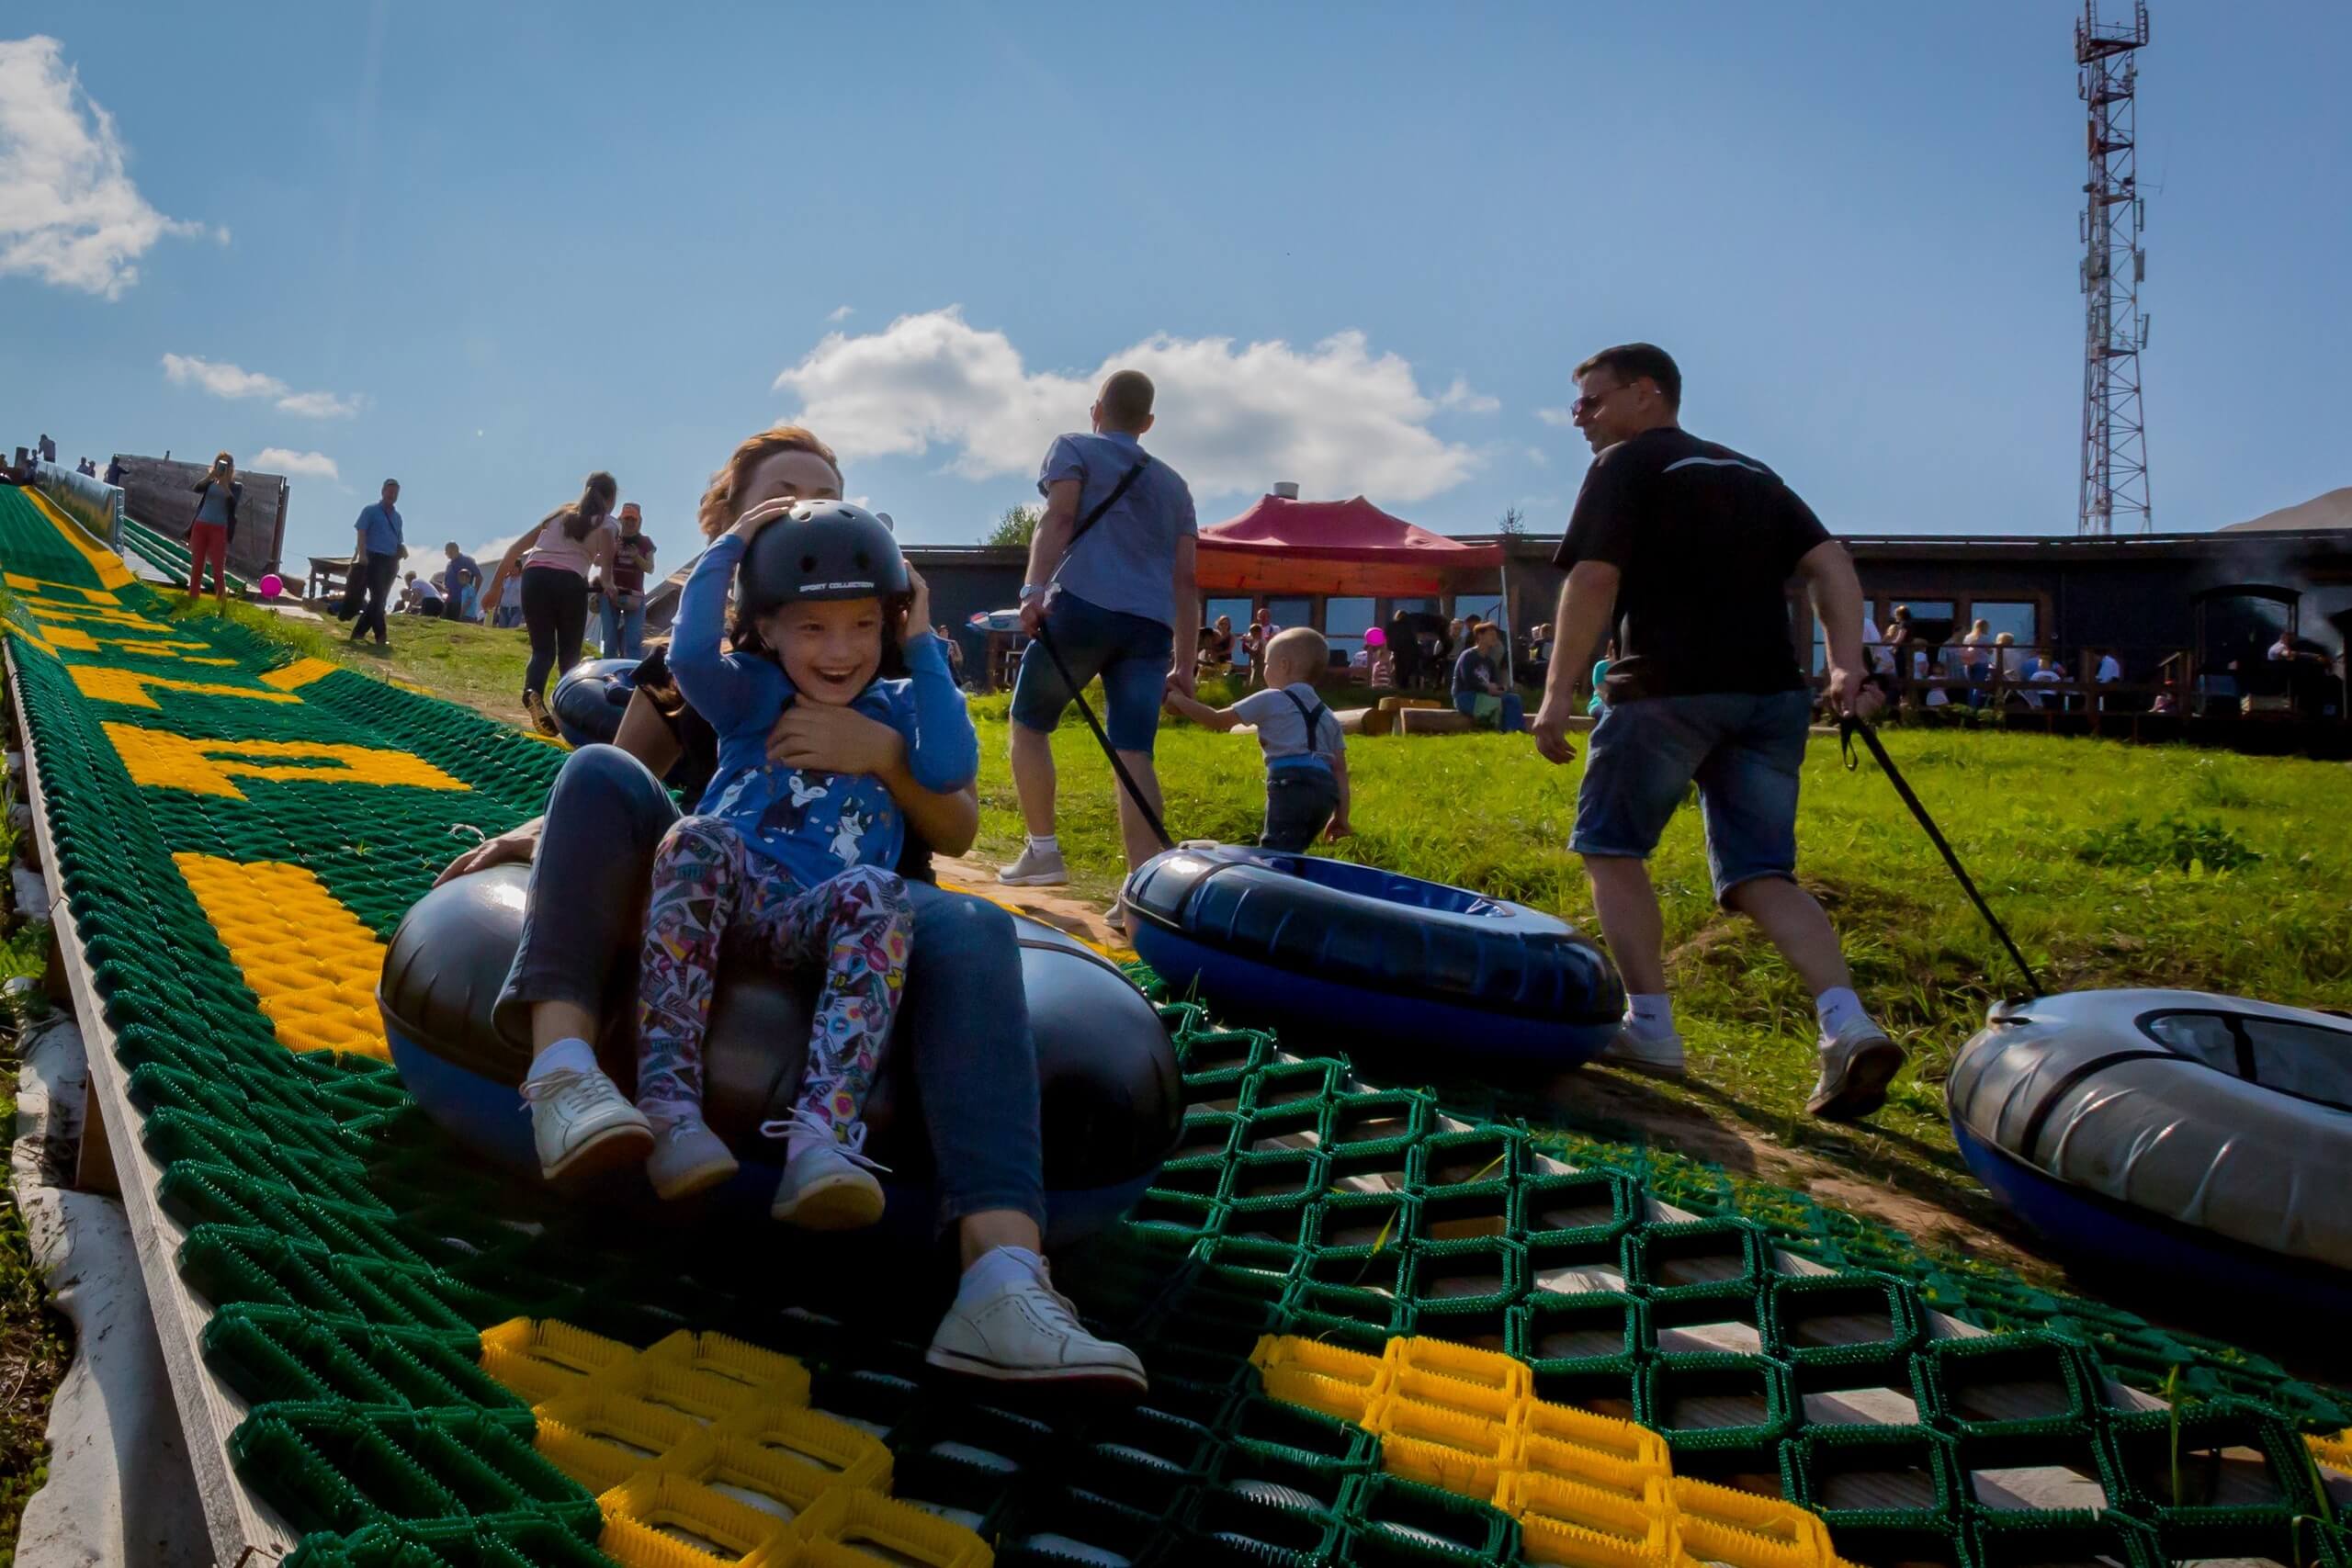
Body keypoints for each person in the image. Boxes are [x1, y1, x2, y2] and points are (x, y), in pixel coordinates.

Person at [441, 422, 1144, 1391]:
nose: (815, 517)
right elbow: (615, 786)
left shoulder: (886, 672)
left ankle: (1002, 1277)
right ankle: (563, 1075)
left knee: (976, 925)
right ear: (738, 531)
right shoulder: (695, 671)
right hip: (720, 882)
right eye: (787, 500)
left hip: (863, 908)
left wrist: (882, 758)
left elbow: (953, 825)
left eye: (832, 495)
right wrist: (543, 838)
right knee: (602, 778)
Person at [1530, 342, 1901, 1121]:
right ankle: (1846, 1023)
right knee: (1763, 873)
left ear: (1645, 394)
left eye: (1591, 401)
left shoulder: (1627, 466)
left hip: (1665, 687)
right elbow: (1833, 564)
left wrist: (1557, 692)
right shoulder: (1754, 473)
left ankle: (1652, 1029)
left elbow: (1593, 578)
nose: (1580, 418)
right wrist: (1844, 668)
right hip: (1770, 698)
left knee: (1613, 846)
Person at [631, 499, 975, 1228]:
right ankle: (669, 1110)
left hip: (810, 922)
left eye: (863, 625)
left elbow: (948, 768)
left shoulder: (906, 706)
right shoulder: (752, 691)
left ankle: (822, 1139)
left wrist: (919, 648)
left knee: (884, 891)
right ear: (766, 628)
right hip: (727, 892)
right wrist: (733, 544)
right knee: (697, 836)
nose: (840, 651)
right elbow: (689, 655)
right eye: (812, 627)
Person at [1000, 370, 1197, 919]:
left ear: (1096, 410)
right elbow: (1186, 580)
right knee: (1134, 750)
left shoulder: (1073, 447)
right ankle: (1141, 892)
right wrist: (1186, 663)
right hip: (1151, 626)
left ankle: (1043, 851)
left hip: (1084, 606)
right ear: (1148, 423)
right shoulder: (1176, 485)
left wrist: (1033, 590)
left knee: (1030, 722)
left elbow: (1058, 517)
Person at [1163, 626, 1351, 852]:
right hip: (1325, 793)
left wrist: (1178, 699)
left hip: (1289, 784)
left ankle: (1274, 884)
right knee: (1293, 850)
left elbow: (1216, 720)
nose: (1264, 670)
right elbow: (1340, 770)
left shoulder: (1272, 698)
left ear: (1284, 665)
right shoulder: (1329, 715)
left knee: (1276, 853)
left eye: (1267, 664)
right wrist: (1341, 817)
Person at [485, 473, 619, 734]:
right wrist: (608, 582)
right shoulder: (608, 522)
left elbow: (514, 550)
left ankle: (532, 691)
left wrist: (495, 588)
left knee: (542, 650)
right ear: (611, 498)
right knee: (569, 654)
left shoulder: (559, 516)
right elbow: (606, 557)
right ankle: (566, 712)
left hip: (534, 578)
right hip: (570, 582)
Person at [350, 479, 406, 648]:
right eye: (389, 491)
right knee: (378, 597)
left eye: (395, 493)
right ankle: (381, 636)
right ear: (383, 492)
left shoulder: (397, 517)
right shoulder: (370, 511)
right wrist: (362, 554)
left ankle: (358, 633)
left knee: (379, 600)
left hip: (390, 561)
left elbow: (398, 540)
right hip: (373, 557)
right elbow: (361, 533)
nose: (392, 495)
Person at [597, 502, 657, 659]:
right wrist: (612, 550)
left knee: (633, 642)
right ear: (621, 519)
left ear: (639, 521)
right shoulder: (612, 537)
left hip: (635, 596)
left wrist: (636, 556)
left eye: (633, 519)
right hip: (610, 593)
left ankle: (631, 678)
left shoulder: (645, 542)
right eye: (627, 518)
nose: (630, 522)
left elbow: (650, 568)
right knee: (609, 640)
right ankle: (608, 675)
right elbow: (596, 561)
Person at [186, 452, 241, 606]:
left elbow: (233, 505)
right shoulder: (210, 483)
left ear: (231, 468)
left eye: (227, 465)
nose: (224, 467)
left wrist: (225, 486)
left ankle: (222, 603)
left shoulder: (236, 487)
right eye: (220, 464)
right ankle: (193, 599)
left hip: (219, 528)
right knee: (197, 565)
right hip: (201, 525)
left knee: (217, 569)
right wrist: (211, 477)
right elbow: (196, 489)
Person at [1453, 621, 1526, 731]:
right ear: (1480, 636)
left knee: (1513, 698)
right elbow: (1468, 681)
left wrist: (1502, 689)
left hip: (1484, 696)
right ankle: (1507, 730)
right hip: (1466, 697)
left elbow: (1494, 683)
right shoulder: (1468, 656)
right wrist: (1487, 688)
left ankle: (1515, 731)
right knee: (1500, 703)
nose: (1495, 637)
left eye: (1495, 635)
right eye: (1491, 634)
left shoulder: (1489, 662)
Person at [442, 542, 483, 623]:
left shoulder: (466, 561)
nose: (447, 554)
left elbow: (479, 577)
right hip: (450, 600)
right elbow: (446, 581)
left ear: (456, 550)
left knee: (460, 623)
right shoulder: (449, 565)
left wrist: (473, 593)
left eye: (449, 552)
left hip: (462, 600)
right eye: (446, 552)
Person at [1238, 606, 1275, 689]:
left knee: (1259, 683)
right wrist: (1245, 641)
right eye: (1261, 616)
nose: (1263, 618)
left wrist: (1247, 648)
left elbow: (1256, 652)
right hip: (1256, 663)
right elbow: (1249, 640)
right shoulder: (1255, 631)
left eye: (1265, 616)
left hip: (1266, 661)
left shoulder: (1274, 628)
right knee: (1255, 682)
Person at [1386, 611, 1422, 691]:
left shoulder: (1393, 627)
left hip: (1398, 654)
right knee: (1409, 675)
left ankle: (1399, 688)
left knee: (1399, 675)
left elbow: (1389, 641)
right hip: (1410, 655)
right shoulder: (1410, 627)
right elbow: (1414, 641)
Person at [1589, 638, 1617, 718]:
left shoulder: (1626, 668)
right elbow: (1601, 691)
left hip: (1620, 705)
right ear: (1612, 649)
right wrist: (1613, 706)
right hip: (1600, 703)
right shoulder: (1601, 666)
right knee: (1611, 715)